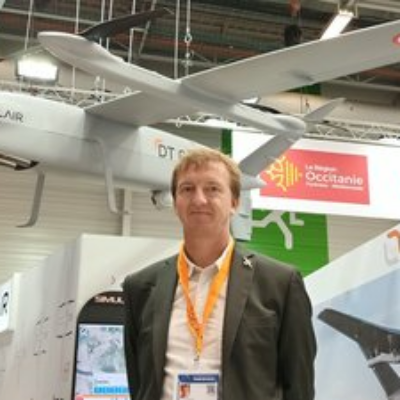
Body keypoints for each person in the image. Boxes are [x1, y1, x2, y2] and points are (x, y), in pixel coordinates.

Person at [122, 147, 316, 400]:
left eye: (212, 188)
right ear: (175, 202)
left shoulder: (280, 284)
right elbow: (139, 382)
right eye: (187, 189)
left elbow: (299, 386)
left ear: (234, 202)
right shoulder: (140, 287)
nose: (199, 199)